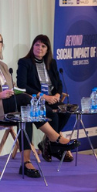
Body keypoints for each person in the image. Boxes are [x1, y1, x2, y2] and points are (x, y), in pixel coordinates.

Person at [0, 31, 77, 178]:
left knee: (28, 114)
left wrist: (16, 91)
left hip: (10, 105)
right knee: (26, 101)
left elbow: (12, 87)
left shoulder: (3, 65)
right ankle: (54, 138)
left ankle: (26, 163)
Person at [17, 35, 73, 163]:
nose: (39, 48)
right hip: (35, 100)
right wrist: (43, 96)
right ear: (33, 46)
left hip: (52, 98)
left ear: (47, 49)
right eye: (37, 45)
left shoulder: (51, 63)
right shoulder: (24, 62)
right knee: (53, 113)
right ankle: (53, 145)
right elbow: (22, 85)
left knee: (67, 110)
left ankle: (47, 143)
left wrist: (57, 95)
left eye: (43, 46)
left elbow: (58, 83)